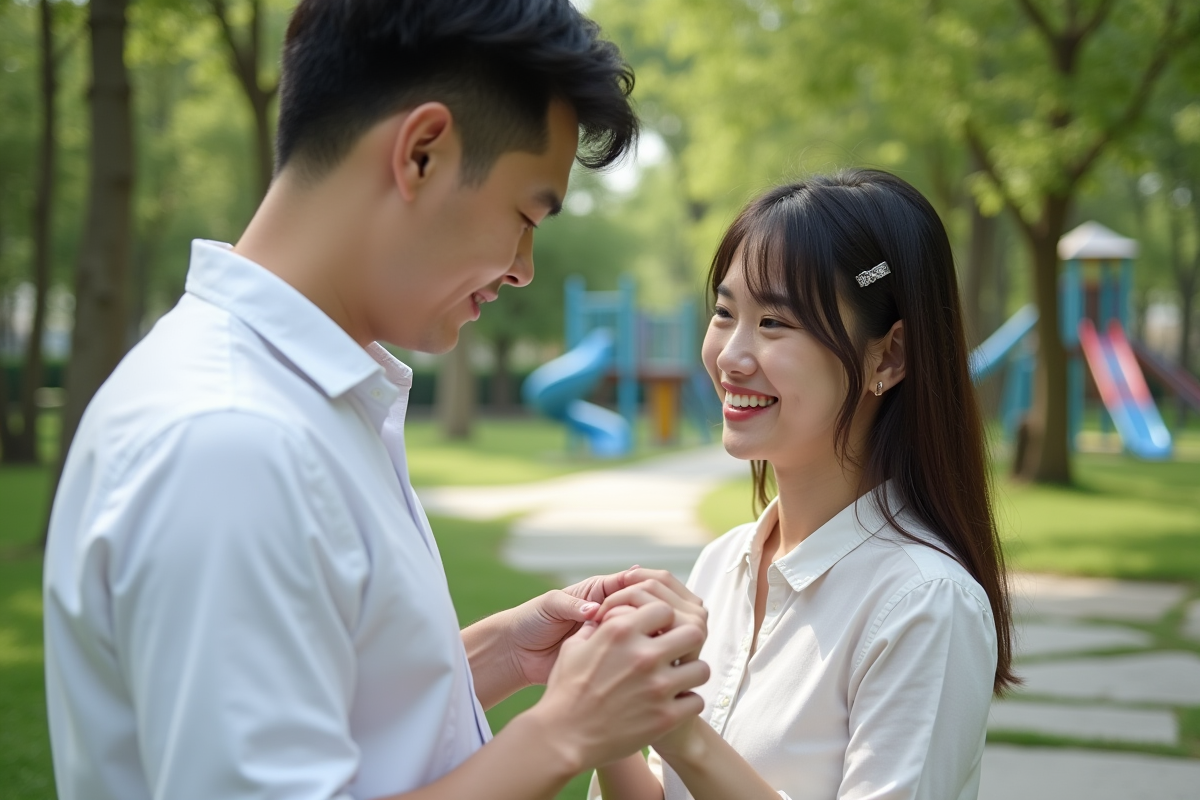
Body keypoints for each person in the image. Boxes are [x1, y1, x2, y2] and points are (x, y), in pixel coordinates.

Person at [42, 2, 710, 799]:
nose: (524, 267)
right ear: (421, 154)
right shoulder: (231, 441)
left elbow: (325, 709)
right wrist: (567, 729)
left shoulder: (304, 400)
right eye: (527, 214)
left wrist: (501, 654)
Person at [589, 170, 1018, 800]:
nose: (732, 355)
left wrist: (682, 732)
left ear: (889, 356)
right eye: (725, 313)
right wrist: (615, 717)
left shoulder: (925, 604)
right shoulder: (722, 566)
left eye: (775, 324)